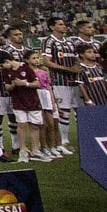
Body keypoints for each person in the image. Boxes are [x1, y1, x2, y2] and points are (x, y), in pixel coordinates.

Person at [43, 17, 82, 150]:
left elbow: (77, 58)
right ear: (52, 27)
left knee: (79, 109)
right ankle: (64, 141)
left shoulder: (70, 42)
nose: (64, 26)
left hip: (75, 81)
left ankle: (82, 137)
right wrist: (67, 69)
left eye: (64, 24)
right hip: (59, 81)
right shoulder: (49, 41)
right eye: (60, 24)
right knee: (64, 110)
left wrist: (77, 66)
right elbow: (46, 62)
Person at [7, 51, 48, 161]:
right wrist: (13, 85)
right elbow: (7, 87)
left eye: (3, 64)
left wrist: (24, 83)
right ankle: (23, 150)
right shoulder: (7, 72)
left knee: (35, 126)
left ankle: (35, 150)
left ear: (7, 61)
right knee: (22, 125)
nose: (2, 67)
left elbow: (37, 84)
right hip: (18, 102)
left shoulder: (26, 68)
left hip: (32, 101)